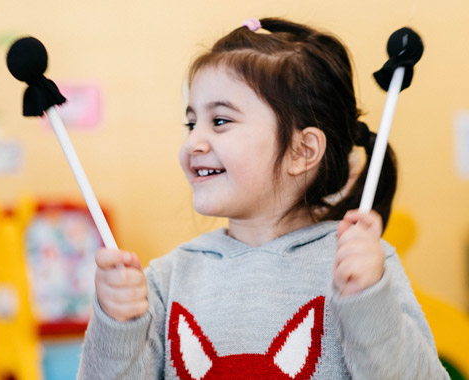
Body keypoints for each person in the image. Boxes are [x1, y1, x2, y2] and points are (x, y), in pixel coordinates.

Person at [77, 18, 449, 379]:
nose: (193, 142)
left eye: (220, 121)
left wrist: (368, 301)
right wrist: (117, 326)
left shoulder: (364, 265)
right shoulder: (167, 279)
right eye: (191, 123)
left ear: (302, 151)